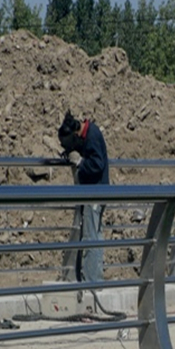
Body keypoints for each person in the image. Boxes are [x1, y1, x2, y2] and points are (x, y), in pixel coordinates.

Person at [57, 111, 109, 283]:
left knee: (92, 237)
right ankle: (91, 278)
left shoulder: (92, 135)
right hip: (93, 192)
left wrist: (80, 162)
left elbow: (98, 164)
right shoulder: (86, 134)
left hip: (96, 193)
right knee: (93, 235)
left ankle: (92, 281)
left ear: (75, 134)